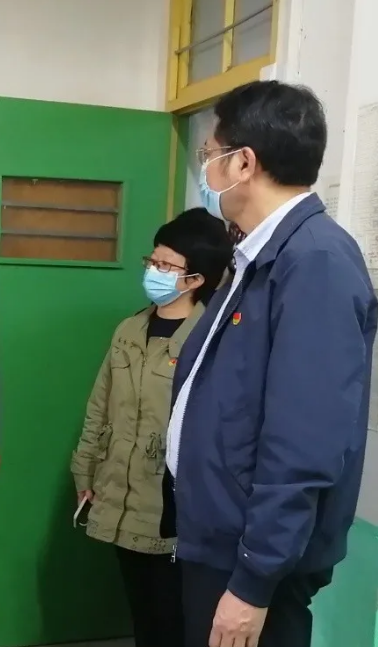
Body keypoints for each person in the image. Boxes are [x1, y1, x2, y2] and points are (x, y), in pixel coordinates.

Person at [162, 81, 378, 647]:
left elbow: (305, 441)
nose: (206, 168)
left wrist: (254, 580)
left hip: (251, 560)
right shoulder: (259, 254)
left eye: (210, 154)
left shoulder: (314, 261)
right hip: (223, 540)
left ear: (244, 163)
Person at [71, 208, 232, 647]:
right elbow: (99, 406)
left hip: (174, 506)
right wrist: (85, 471)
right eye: (153, 261)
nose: (154, 271)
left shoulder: (210, 338)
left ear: (195, 279)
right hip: (120, 493)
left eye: (166, 265)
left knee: (174, 618)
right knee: (143, 612)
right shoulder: (129, 329)